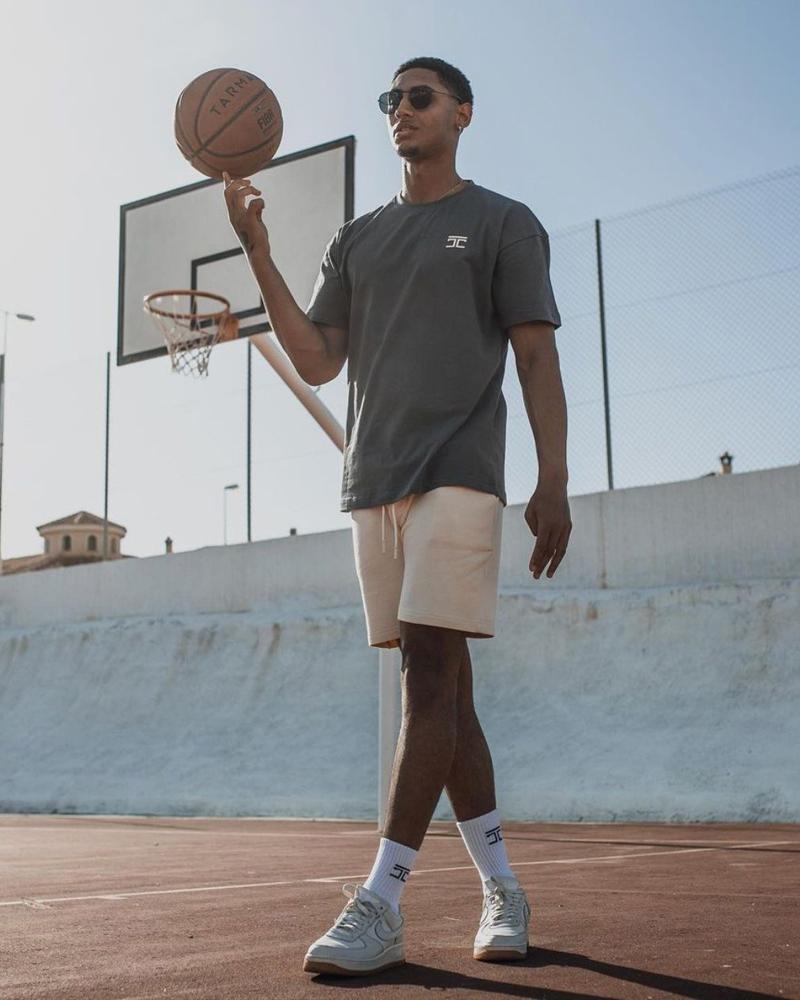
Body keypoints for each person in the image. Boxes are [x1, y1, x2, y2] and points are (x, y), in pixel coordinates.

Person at [223, 55, 571, 978]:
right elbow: (317, 359)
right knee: (448, 695)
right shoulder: (358, 238)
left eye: (420, 97)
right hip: (371, 481)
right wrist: (257, 252)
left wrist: (554, 477)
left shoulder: (502, 222)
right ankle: (504, 888)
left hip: (460, 471)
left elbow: (535, 357)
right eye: (391, 100)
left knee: (427, 676)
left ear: (462, 112)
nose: (401, 111)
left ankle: (380, 902)